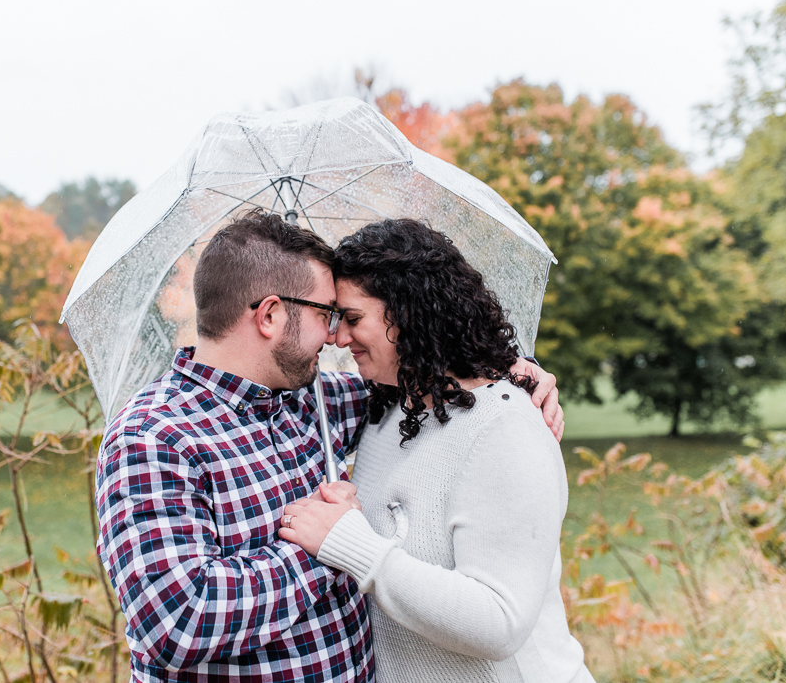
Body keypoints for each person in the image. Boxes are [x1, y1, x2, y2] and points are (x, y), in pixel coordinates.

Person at [95, 211, 563, 682]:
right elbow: (176, 624)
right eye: (326, 314)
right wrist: (329, 547)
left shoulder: (316, 402)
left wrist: (517, 370)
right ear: (271, 315)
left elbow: (435, 377)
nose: (335, 335)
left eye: (346, 317)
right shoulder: (154, 437)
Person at [279, 219, 592, 682]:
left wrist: (350, 543)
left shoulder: (505, 429)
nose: (337, 338)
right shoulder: (386, 408)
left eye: (352, 318)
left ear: (408, 313)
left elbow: (499, 623)